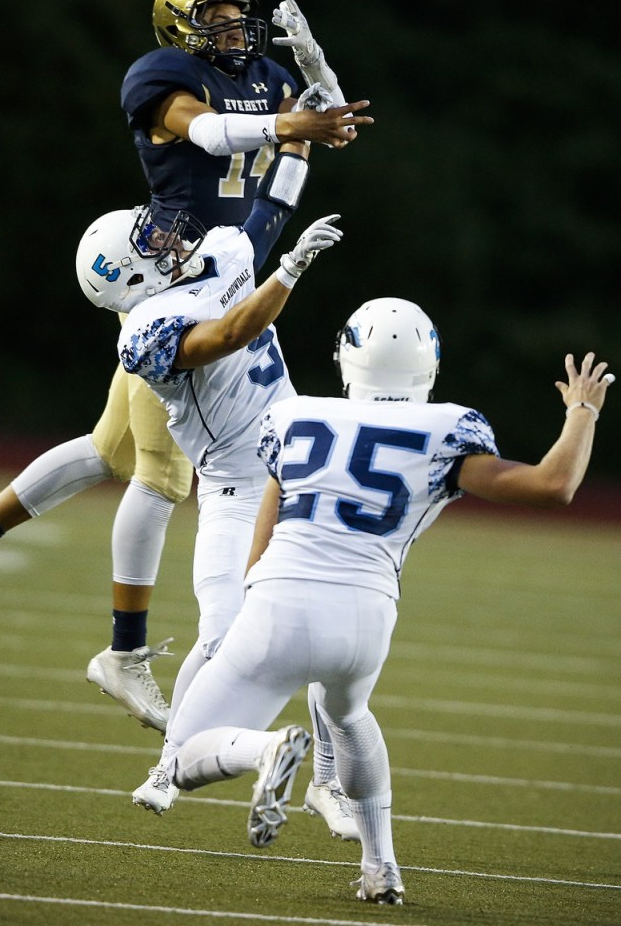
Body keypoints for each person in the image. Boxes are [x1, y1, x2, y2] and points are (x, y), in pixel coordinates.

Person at [0, 0, 373, 743]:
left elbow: (286, 174)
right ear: (180, 29)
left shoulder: (261, 78)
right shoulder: (162, 77)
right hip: (167, 285)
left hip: (218, 260)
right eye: (217, 18)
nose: (234, 29)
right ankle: (123, 654)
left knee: (105, 452)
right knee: (158, 474)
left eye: (237, 16)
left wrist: (317, 86)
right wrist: (291, 135)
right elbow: (208, 132)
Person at [138, 297, 613, 906]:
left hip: (279, 601)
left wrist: (253, 604)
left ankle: (269, 750)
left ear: (346, 355)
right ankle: (380, 867)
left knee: (178, 756)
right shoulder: (449, 427)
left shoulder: (294, 417)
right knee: (350, 715)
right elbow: (555, 485)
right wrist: (582, 412)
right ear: (430, 363)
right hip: (367, 618)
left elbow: (267, 528)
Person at [75, 131, 350, 820]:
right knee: (225, 633)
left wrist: (300, 132)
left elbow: (271, 208)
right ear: (130, 280)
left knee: (337, 627)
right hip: (235, 489)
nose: (165, 235)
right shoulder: (145, 331)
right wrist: (285, 275)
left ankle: (327, 779)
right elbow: (221, 337)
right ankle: (172, 764)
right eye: (148, 244)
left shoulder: (217, 253)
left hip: (297, 468)